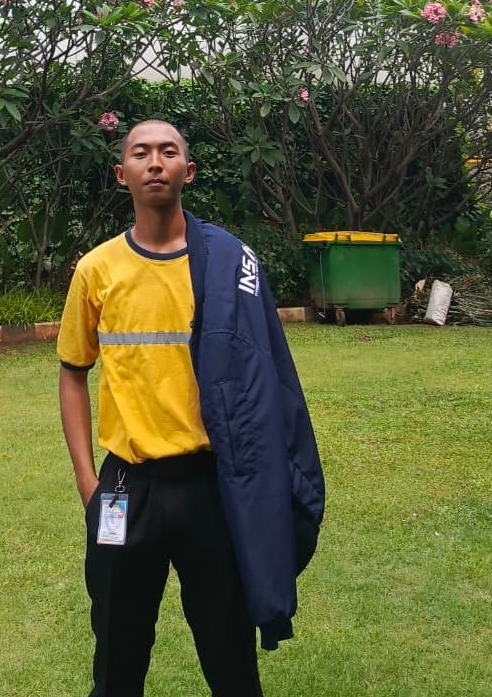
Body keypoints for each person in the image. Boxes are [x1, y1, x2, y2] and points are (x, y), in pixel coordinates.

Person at [57, 118, 325, 697]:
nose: (155, 162)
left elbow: (266, 377)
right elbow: (72, 374)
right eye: (141, 153)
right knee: (117, 650)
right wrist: (88, 482)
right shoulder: (96, 270)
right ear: (121, 173)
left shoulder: (230, 264)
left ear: (188, 171)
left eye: (169, 151)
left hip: (210, 487)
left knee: (229, 654)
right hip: (125, 491)